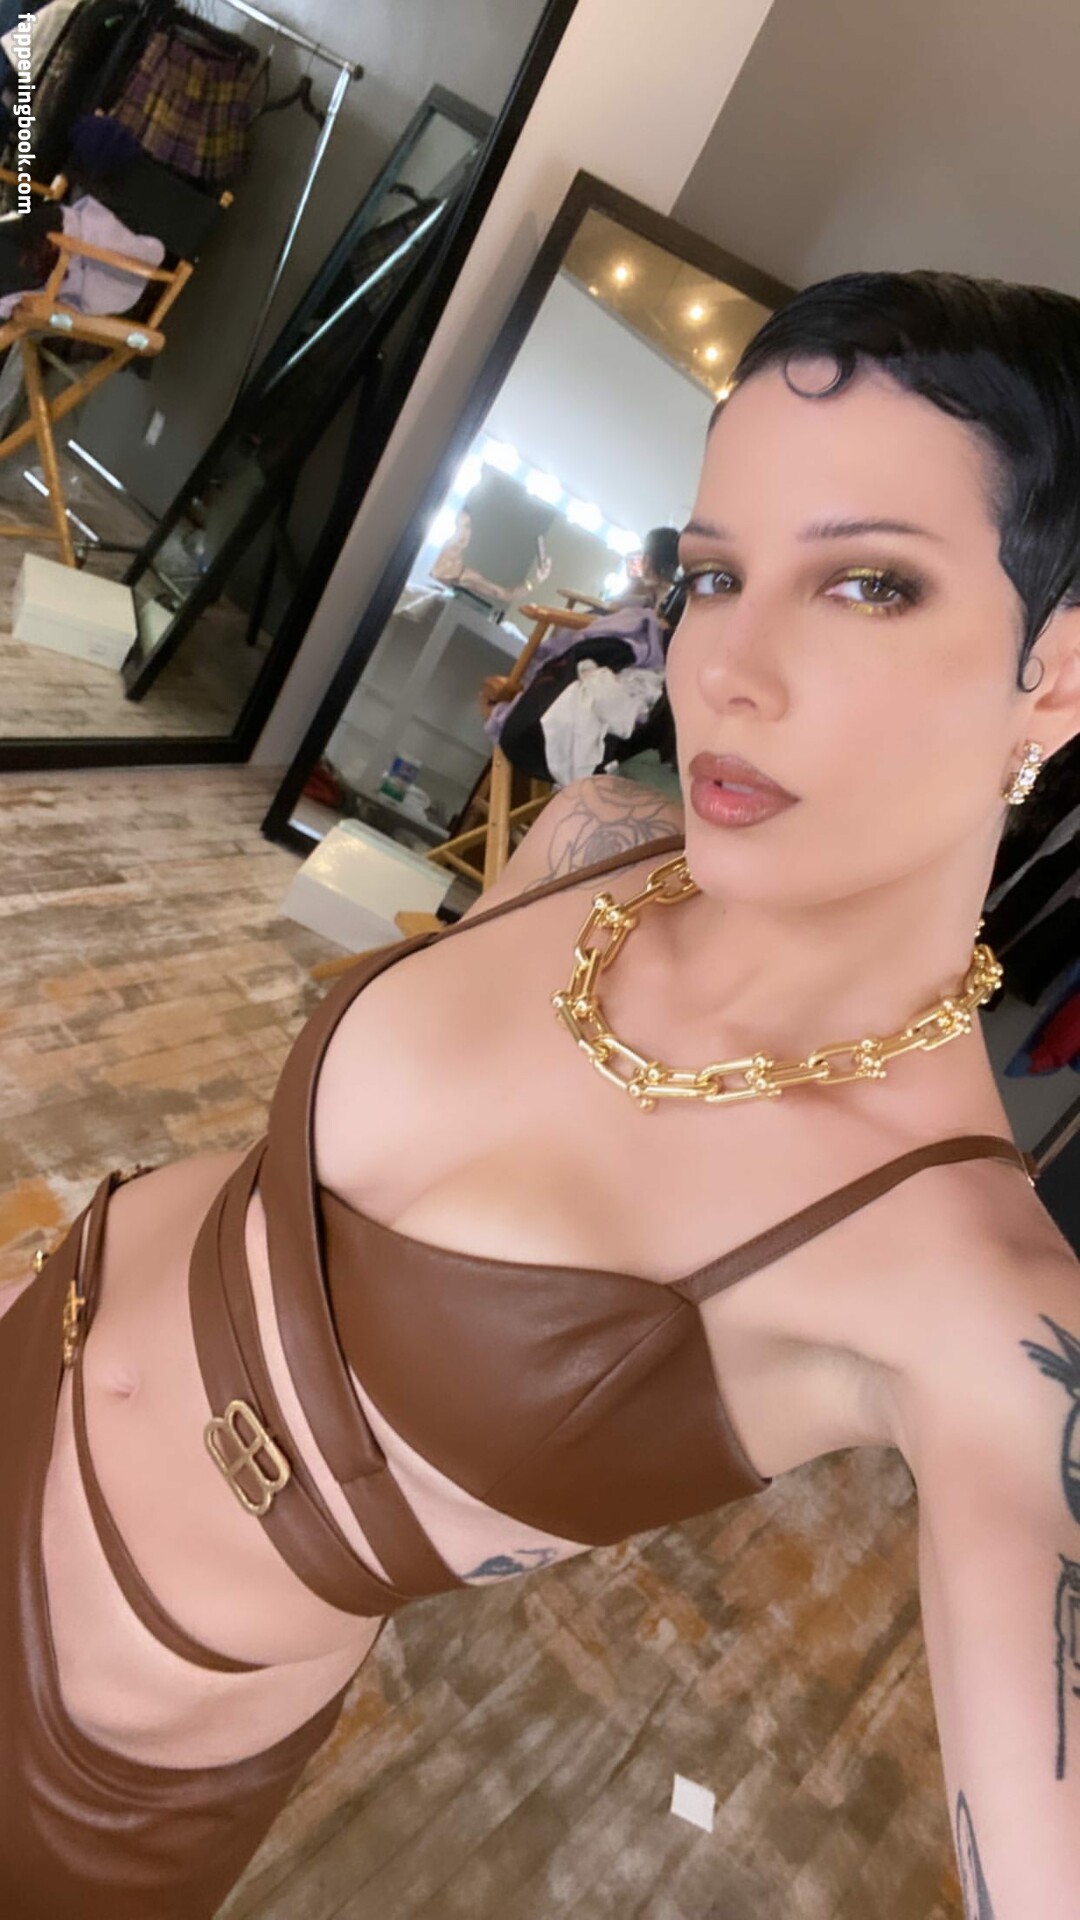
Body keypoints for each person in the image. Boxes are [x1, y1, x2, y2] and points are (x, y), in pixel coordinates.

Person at [3, 267, 1080, 1917]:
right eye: (714, 575)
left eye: (869, 583)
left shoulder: (973, 1302)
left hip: (88, 1738)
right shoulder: (597, 848)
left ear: (1057, 675)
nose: (730, 669)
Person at [478, 524, 681, 721]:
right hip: (614, 680)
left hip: (589, 669)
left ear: (646, 561)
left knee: (562, 633)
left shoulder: (642, 610)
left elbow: (611, 618)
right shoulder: (665, 611)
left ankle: (525, 697)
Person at [430, 504, 552, 605]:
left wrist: (535, 581)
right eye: (457, 525)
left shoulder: (466, 576)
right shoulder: (427, 557)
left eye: (467, 526)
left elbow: (505, 594)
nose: (463, 533)